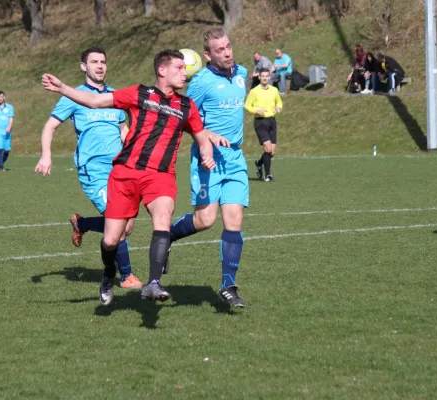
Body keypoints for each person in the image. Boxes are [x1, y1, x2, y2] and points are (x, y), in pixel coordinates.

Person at [40, 49, 223, 305]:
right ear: (162, 70)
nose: (185, 73)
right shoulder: (139, 93)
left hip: (160, 175)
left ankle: (153, 283)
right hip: (125, 174)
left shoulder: (186, 105)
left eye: (185, 69)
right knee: (112, 238)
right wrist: (62, 88)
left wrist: (207, 153)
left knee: (162, 218)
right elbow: (93, 102)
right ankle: (108, 273)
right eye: (179, 68)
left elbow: (201, 137)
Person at [35, 46, 143, 290]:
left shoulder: (115, 96)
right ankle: (127, 276)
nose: (100, 66)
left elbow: (123, 130)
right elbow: (49, 126)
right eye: (94, 62)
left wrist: (135, 153)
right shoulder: (74, 96)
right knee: (120, 225)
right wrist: (46, 155)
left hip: (119, 168)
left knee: (128, 225)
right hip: (93, 169)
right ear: (84, 66)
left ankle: (81, 224)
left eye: (103, 61)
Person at [167, 27, 249, 308]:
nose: (227, 52)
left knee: (234, 221)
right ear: (207, 55)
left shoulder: (242, 73)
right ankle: (167, 235)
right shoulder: (201, 82)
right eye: (219, 50)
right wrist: (209, 136)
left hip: (235, 159)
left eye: (228, 46)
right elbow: (184, 118)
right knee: (205, 220)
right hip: (207, 158)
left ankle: (228, 286)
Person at [245, 68, 282, 182]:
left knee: (272, 151)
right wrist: (256, 110)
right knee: (268, 148)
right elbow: (247, 106)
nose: (265, 78)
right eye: (263, 76)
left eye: (267, 76)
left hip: (272, 121)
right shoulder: (254, 91)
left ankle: (259, 163)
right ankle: (268, 175)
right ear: (259, 77)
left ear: (269, 77)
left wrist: (279, 107)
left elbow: (279, 101)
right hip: (260, 122)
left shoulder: (274, 90)